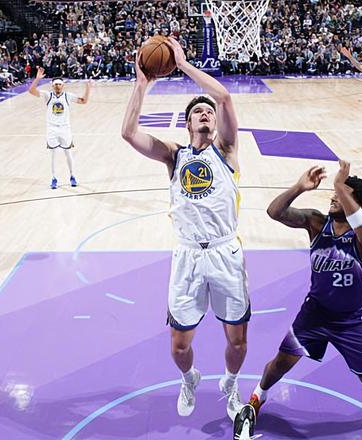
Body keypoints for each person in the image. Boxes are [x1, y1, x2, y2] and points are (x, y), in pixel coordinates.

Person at [233, 160, 362, 440]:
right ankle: (257, 397)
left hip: (354, 320)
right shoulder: (317, 223)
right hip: (315, 314)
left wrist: (340, 184)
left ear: (356, 203)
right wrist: (299, 187)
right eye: (335, 192)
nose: (333, 196)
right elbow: (274, 212)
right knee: (282, 361)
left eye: (341, 194)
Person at [120, 37, 248, 421]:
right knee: (178, 346)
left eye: (209, 112)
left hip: (225, 252)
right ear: (188, 123)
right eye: (198, 112)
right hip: (188, 255)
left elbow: (224, 97)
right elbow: (129, 133)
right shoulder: (174, 155)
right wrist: (141, 84)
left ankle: (230, 383)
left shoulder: (226, 150)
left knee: (237, 341)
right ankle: (189, 377)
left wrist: (183, 65)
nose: (206, 113)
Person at [28, 67, 90, 189]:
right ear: (52, 86)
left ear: (63, 86)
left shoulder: (68, 96)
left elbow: (84, 101)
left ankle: (72, 176)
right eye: (55, 84)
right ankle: (54, 178)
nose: (57, 86)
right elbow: (31, 91)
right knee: (53, 154)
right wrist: (37, 79)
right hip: (52, 129)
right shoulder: (47, 95)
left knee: (68, 153)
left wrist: (88, 89)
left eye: (59, 84)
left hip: (65, 128)